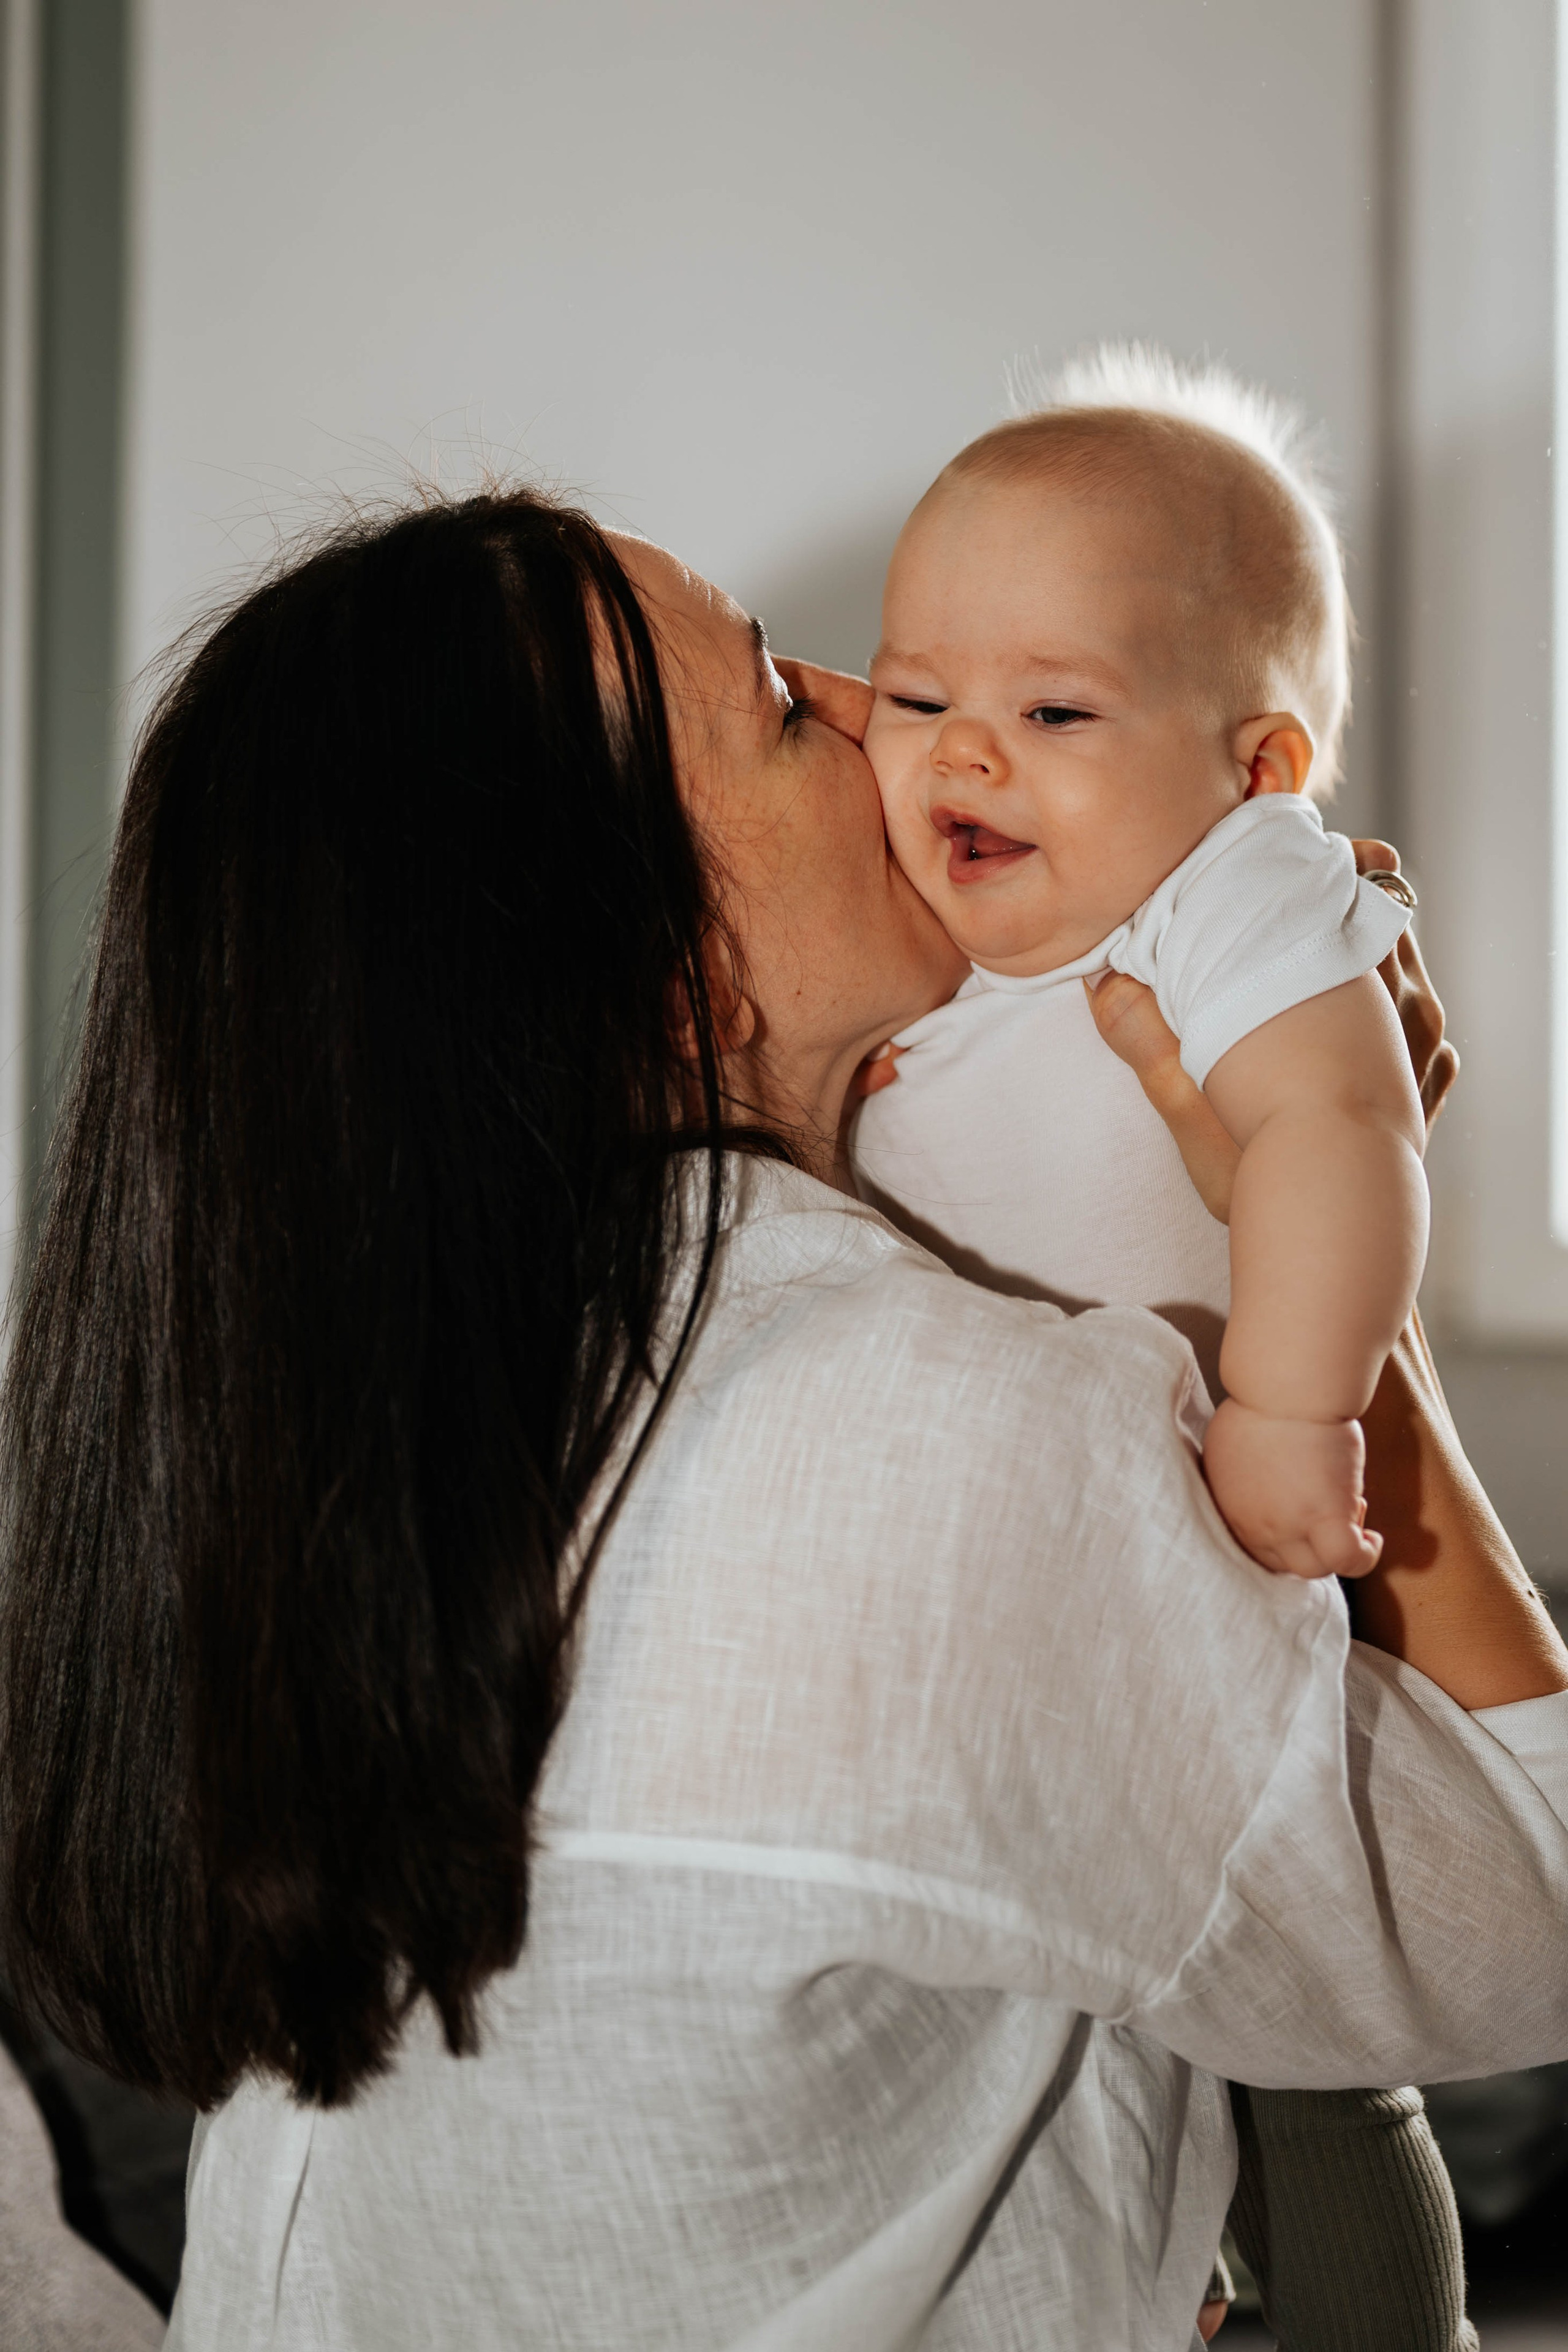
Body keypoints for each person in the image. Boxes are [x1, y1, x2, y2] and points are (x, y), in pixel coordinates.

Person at [2, 487, 1566, 2352]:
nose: (868, 701)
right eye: (775, 699)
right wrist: (1338, 1237)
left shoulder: (370, 1456)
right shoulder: (927, 1438)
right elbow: (1529, 1920)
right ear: (676, 978)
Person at [850, 348, 1471, 2347]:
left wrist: (1294, 1410)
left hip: (1225, 1550)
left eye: (1053, 711)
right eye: (916, 696)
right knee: (1062, 2041)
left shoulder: (1229, 895)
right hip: (997, 1602)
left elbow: (1342, 1131)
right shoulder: (912, 927)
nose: (963, 755)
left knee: (1307, 2052)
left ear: (1259, 766)